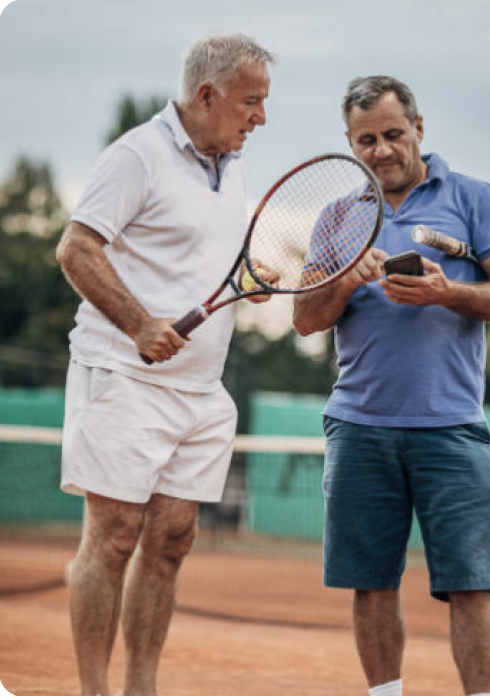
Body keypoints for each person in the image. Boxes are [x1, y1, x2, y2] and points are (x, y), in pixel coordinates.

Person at [293, 75, 490, 696]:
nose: (382, 150)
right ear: (350, 143)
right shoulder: (338, 217)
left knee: (472, 583)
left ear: (418, 129)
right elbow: (304, 319)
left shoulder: (475, 198)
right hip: (359, 426)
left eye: (394, 134)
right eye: (365, 139)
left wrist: (445, 291)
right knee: (371, 582)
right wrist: (346, 278)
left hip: (451, 426)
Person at [56, 34, 275, 696]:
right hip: (126, 378)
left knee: (172, 540)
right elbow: (76, 248)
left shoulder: (229, 162)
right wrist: (139, 324)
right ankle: (96, 691)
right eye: (251, 102)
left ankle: (140, 689)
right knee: (114, 538)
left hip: (201, 392)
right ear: (205, 96)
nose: (259, 118)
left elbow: (209, 258)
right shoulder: (136, 155)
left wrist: (251, 276)